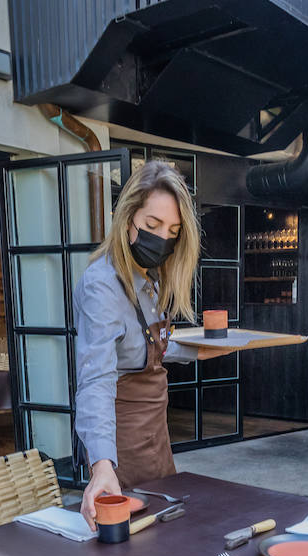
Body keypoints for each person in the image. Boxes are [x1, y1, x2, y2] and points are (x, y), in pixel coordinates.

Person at [74, 160, 230, 529]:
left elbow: (149, 347)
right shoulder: (102, 286)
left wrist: (199, 351)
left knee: (169, 525)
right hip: (122, 440)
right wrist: (102, 466)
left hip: (156, 433)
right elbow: (95, 379)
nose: (162, 239)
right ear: (128, 218)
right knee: (137, 539)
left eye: (173, 230)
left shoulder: (151, 279)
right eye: (152, 224)